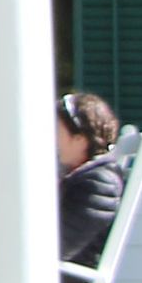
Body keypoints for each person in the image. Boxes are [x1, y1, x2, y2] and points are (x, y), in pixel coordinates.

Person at [57, 89, 127, 273]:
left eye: (58, 133)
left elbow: (57, 246)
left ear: (80, 140)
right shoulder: (76, 176)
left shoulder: (99, 185)